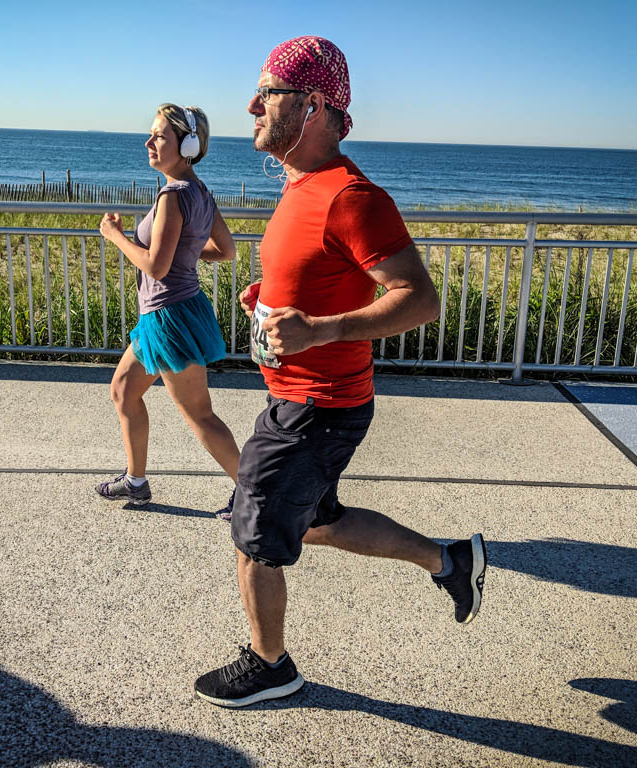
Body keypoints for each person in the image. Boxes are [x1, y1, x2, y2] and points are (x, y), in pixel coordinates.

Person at [194, 37, 488, 708]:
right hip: (304, 399)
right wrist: (267, 299)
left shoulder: (352, 196)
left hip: (318, 406)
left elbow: (420, 299)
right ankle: (450, 561)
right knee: (316, 522)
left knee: (254, 533)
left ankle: (270, 666)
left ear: (313, 105)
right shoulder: (300, 187)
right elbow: (319, 275)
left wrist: (321, 330)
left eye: (267, 93)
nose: (252, 106)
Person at [96, 104, 241, 506]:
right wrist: (184, 253)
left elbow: (157, 268)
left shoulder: (172, 196)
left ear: (187, 145)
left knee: (200, 414)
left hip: (169, 317)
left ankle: (255, 497)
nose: (149, 142)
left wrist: (116, 236)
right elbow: (225, 250)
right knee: (123, 391)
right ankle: (135, 481)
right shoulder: (200, 191)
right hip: (166, 314)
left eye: (159, 136)